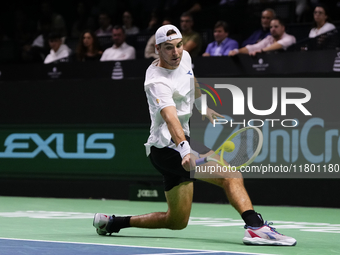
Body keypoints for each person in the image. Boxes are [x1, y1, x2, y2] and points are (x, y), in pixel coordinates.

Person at [93, 24, 297, 246]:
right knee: (230, 175)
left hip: (178, 146)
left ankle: (113, 223)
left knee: (176, 220)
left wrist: (203, 107)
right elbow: (170, 117)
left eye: (179, 46)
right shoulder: (156, 82)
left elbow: (191, 80)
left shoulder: (184, 58)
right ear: (158, 49)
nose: (176, 52)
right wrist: (184, 150)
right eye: (169, 48)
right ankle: (256, 228)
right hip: (167, 148)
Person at [229, 18, 296, 56]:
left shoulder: (290, 38)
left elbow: (280, 44)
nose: (273, 29)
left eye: (276, 27)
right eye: (271, 27)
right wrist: (237, 51)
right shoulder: (269, 38)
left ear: (283, 28)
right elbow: (253, 47)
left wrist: (261, 51)